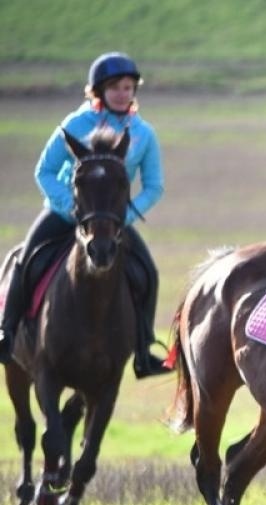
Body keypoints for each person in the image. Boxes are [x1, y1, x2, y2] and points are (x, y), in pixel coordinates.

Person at [0, 52, 170, 377]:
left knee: (148, 272)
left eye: (128, 87)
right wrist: (70, 208)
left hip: (111, 221)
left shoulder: (144, 134)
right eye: (115, 87)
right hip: (65, 213)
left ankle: (143, 349)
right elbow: (44, 171)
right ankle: (6, 332)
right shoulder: (75, 124)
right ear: (98, 91)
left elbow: (154, 186)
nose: (123, 93)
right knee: (26, 262)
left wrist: (127, 216)